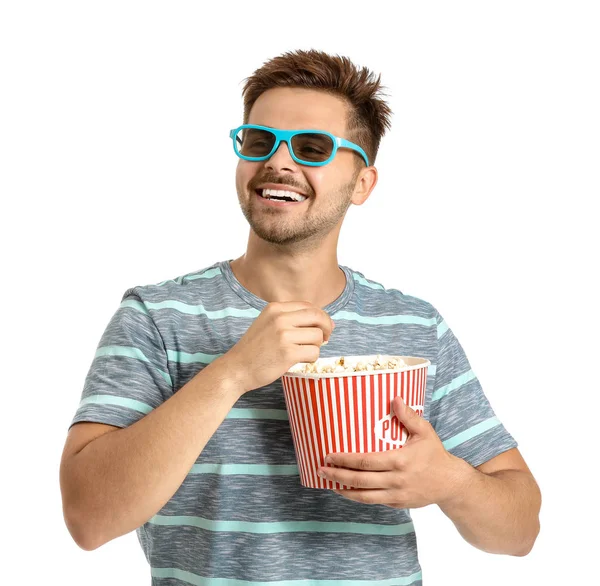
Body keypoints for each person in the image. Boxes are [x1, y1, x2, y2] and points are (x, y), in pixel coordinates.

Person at [59, 49, 541, 585]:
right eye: (260, 142)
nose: (279, 162)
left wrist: (452, 483)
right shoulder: (156, 317)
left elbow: (520, 533)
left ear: (362, 184)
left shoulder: (414, 326)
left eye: (313, 148)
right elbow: (88, 518)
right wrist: (233, 373)